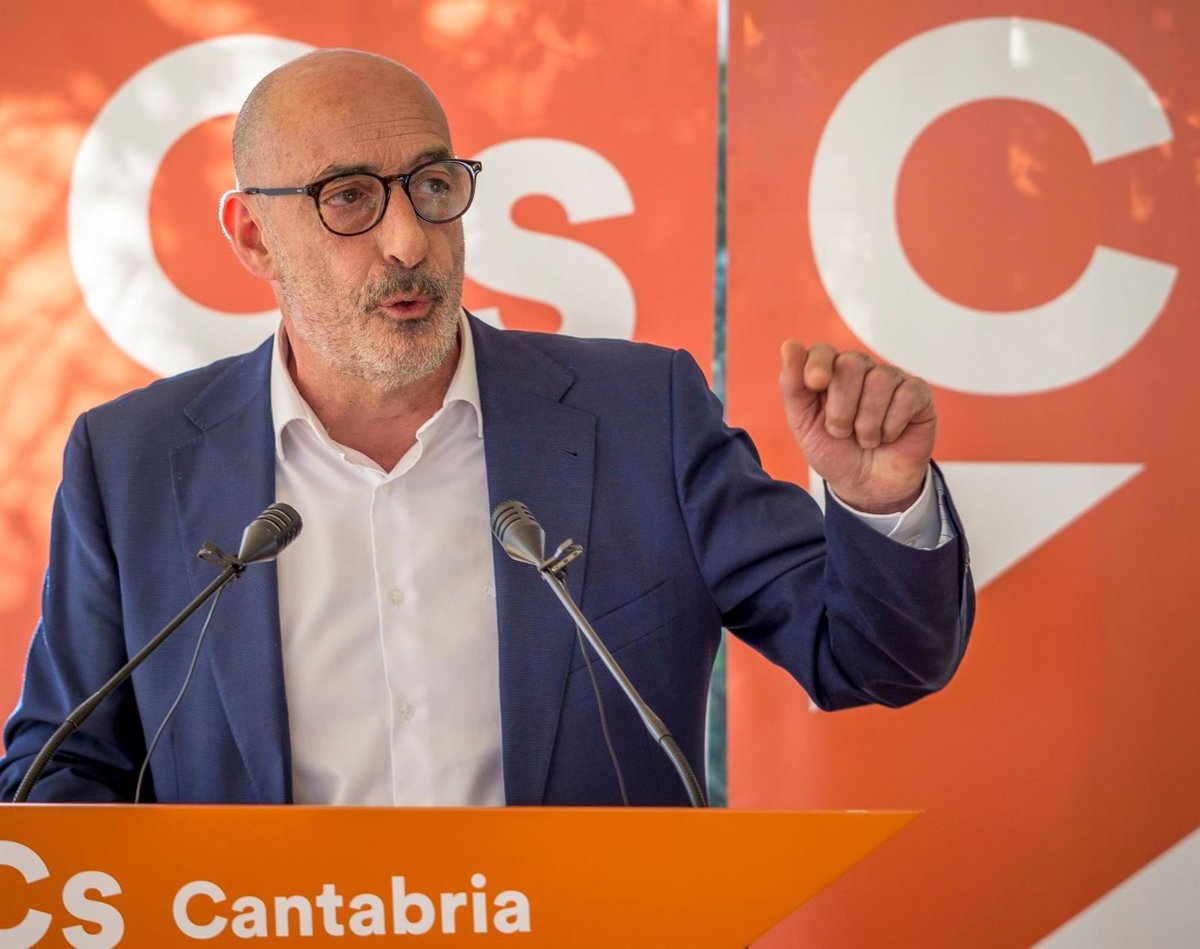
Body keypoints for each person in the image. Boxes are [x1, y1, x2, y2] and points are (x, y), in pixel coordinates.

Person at [0, 49, 973, 806]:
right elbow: (60, 770)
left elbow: (876, 658)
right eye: (348, 198)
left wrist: (879, 503)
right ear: (253, 236)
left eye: (431, 184)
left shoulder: (645, 416)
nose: (408, 240)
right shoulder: (129, 463)